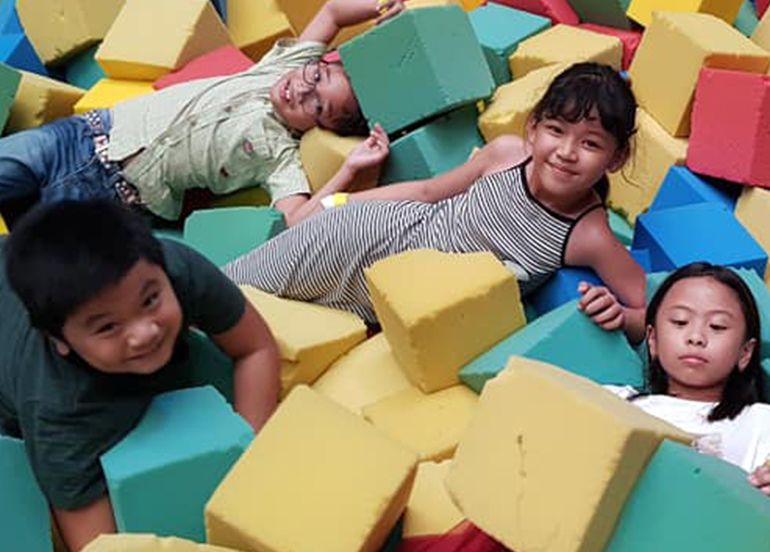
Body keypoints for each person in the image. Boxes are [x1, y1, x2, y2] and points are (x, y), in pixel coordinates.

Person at [225, 62, 647, 342]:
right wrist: (340, 205)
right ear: (533, 128)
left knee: (277, 332)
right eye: (556, 130)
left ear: (616, 158)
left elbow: (652, 311)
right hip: (360, 235)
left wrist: (621, 317)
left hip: (397, 293)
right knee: (229, 295)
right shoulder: (505, 154)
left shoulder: (587, 233)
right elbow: (428, 192)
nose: (567, 152)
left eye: (590, 143)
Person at [0, 200, 281, 551]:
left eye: (150, 301)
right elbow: (99, 545)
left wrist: (248, 456)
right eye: (108, 327)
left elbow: (255, 348)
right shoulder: (58, 413)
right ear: (61, 342)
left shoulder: (174, 267)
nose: (143, 332)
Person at [0, 0, 404, 225]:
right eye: (314, 74)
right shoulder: (277, 69)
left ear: (318, 128)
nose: (301, 89)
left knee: (25, 258)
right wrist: (380, 12)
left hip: (111, 201)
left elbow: (297, 219)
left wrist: (347, 171)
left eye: (318, 106)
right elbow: (332, 12)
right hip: (82, 136)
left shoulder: (280, 156)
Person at [606, 262, 770, 495]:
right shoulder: (615, 401)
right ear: (652, 340)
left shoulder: (761, 424)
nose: (696, 337)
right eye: (680, 322)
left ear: (745, 352)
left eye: (717, 326)